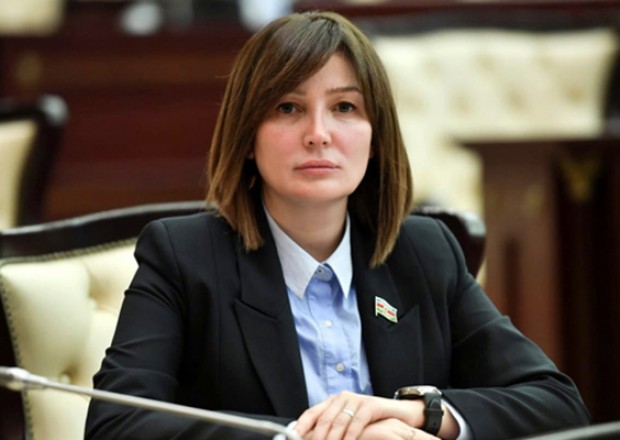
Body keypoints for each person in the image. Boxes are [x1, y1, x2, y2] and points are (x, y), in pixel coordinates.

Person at [85, 10, 589, 440]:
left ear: (376, 138)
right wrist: (305, 436)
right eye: (288, 108)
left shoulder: (424, 251)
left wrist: (420, 414)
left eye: (345, 107)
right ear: (246, 136)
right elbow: (117, 424)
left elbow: (556, 402)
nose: (319, 134)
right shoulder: (182, 256)